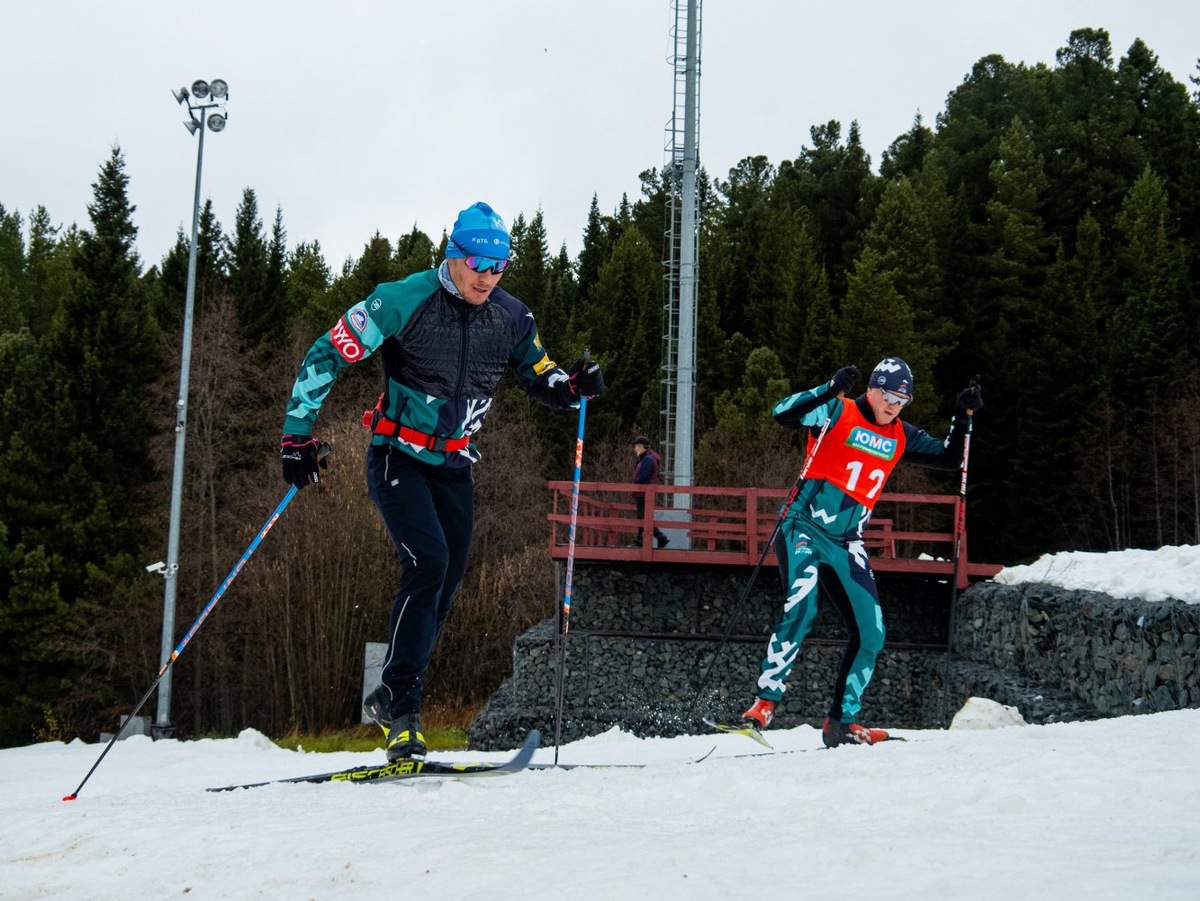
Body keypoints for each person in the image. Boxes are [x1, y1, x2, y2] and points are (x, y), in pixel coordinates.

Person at [279, 201, 604, 761]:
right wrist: (296, 434)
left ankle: (389, 694)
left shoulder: (511, 317)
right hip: (397, 457)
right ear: (453, 254)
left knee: (446, 583)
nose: (487, 277)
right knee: (427, 563)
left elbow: (540, 372)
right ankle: (404, 710)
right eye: (478, 263)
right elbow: (328, 352)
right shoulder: (403, 299)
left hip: (455, 466)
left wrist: (572, 386)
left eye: (499, 267)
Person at [739, 358, 982, 747]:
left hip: (847, 542)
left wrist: (962, 415)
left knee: (873, 632)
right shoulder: (837, 411)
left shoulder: (901, 434)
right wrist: (829, 388)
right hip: (804, 526)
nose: (893, 406)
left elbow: (950, 458)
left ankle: (842, 723)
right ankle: (765, 702)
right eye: (889, 397)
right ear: (872, 389)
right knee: (802, 604)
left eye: (902, 400)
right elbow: (782, 413)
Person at [631, 436, 669, 549]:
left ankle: (643, 540)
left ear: (642, 446)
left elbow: (644, 477)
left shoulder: (647, 459)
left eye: (636, 446)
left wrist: (636, 482)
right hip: (644, 492)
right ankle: (656, 538)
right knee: (644, 516)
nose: (635, 449)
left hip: (645, 492)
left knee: (643, 516)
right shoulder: (646, 458)